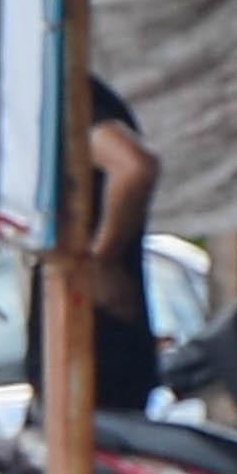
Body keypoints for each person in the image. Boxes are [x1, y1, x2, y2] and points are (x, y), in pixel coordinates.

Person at [80, 74, 164, 419]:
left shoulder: (68, 97)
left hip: (96, 342)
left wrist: (100, 258)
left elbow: (134, 167)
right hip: (87, 335)